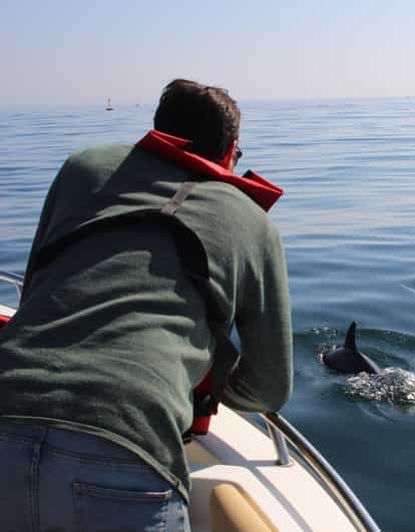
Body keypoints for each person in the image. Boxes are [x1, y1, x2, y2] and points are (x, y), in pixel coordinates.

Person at [0, 79, 293, 531]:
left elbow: (35, 290)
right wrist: (196, 385)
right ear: (231, 152)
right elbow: (269, 388)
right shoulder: (251, 221)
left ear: (157, 131)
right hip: (128, 443)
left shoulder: (83, 167)